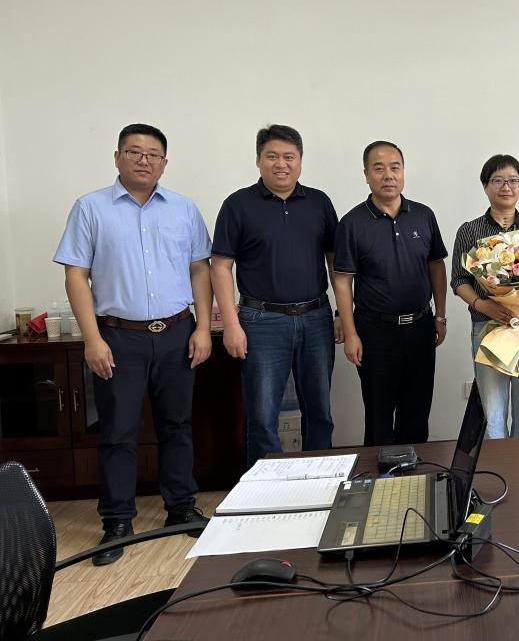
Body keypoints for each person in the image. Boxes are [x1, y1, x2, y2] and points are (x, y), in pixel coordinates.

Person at [54, 123, 213, 566]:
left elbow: (200, 268)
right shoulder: (90, 208)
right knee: (118, 432)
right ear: (117, 157)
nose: (144, 160)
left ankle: (181, 508)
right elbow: (75, 275)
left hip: (177, 332)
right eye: (134, 152)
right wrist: (92, 339)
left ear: (164, 162)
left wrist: (202, 327)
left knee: (177, 425)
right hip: (118, 337)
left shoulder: (183, 208)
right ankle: (117, 521)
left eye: (153, 154)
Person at [211, 125, 340, 469]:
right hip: (261, 321)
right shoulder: (238, 205)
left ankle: (321, 479)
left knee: (320, 411)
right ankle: (266, 488)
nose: (281, 164)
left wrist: (343, 313)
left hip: (316, 317)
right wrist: (231, 325)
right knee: (262, 415)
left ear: (300, 161)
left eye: (289, 157)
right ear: (258, 160)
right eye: (272, 156)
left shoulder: (319, 202)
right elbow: (220, 267)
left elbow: (335, 263)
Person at [334, 141, 448, 446]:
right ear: (366, 175)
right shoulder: (352, 223)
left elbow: (436, 266)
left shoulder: (423, 215)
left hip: (421, 327)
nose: (388, 175)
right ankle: (380, 475)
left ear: (403, 172)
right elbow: (343, 280)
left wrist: (440, 316)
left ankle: (415, 473)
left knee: (417, 414)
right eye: (379, 168)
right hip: (375, 332)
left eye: (395, 167)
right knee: (378, 417)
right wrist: (350, 333)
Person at [450, 154, 519, 438]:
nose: (506, 187)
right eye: (497, 180)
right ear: (485, 186)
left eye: (513, 180)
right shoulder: (469, 230)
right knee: (492, 412)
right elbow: (459, 280)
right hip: (488, 327)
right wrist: (483, 304)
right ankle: (496, 465)